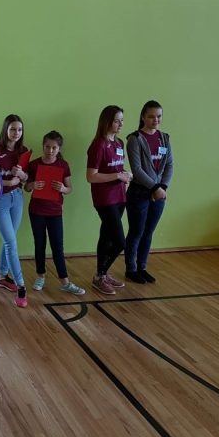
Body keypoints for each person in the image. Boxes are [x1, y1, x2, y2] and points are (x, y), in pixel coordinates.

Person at [24, 131, 85, 296]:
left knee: (58, 246)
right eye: (47, 147)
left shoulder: (63, 165)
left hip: (55, 211)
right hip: (36, 211)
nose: (50, 151)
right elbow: (26, 187)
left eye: (54, 148)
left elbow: (69, 188)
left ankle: (65, 281)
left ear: (59, 148)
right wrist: (32, 185)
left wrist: (63, 188)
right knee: (39, 244)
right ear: (43, 146)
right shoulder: (34, 164)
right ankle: (40, 276)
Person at [124, 101, 174, 283]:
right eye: (151, 116)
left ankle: (142, 267)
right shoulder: (135, 139)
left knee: (148, 232)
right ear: (143, 117)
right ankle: (131, 269)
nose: (156, 120)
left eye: (159, 116)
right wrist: (154, 187)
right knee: (137, 231)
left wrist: (163, 187)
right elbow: (137, 170)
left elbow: (169, 165)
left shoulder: (164, 138)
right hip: (139, 193)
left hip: (159, 193)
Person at [86, 105, 133, 296]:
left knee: (106, 236)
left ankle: (102, 275)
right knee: (120, 242)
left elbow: (116, 168)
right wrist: (117, 176)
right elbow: (91, 176)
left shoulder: (119, 143)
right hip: (105, 199)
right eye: (116, 120)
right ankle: (100, 275)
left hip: (120, 196)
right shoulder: (98, 145)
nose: (120, 124)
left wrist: (125, 175)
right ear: (107, 122)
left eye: (122, 120)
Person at [0, 114, 30, 308]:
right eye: (13, 129)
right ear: (6, 129)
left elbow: (27, 178)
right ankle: (21, 286)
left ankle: (2, 276)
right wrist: (9, 182)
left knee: (10, 239)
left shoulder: (23, 151)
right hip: (0, 200)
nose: (16, 133)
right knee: (11, 243)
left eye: (19, 129)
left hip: (18, 198)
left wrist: (21, 175)